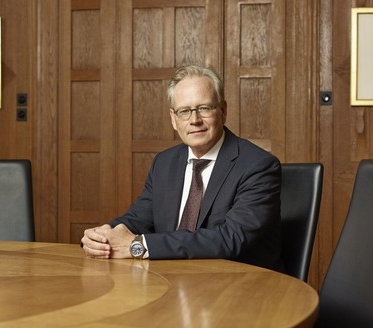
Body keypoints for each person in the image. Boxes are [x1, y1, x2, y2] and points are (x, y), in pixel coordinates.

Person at [81, 65, 283, 271]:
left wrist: (139, 246)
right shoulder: (164, 163)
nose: (194, 120)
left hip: (239, 286)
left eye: (204, 108)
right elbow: (139, 218)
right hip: (172, 281)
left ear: (223, 111)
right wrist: (102, 236)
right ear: (173, 119)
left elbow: (230, 239)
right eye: (184, 111)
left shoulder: (258, 166)